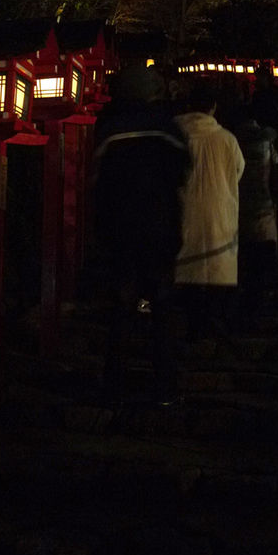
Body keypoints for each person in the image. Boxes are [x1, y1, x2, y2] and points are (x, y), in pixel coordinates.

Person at [92, 64, 191, 406]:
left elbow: (98, 180)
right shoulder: (167, 129)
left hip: (120, 229)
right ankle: (165, 386)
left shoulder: (109, 130)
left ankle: (113, 385)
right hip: (160, 227)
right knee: (163, 307)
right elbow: (182, 174)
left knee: (121, 305)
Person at [174, 82, 246, 338]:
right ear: (214, 108)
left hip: (184, 212)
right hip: (219, 214)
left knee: (186, 271)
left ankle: (191, 326)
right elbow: (238, 170)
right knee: (215, 271)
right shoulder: (227, 139)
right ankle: (213, 326)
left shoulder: (176, 136)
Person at [234, 110, 278, 332]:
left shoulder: (233, 142)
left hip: (239, 208)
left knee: (246, 261)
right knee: (263, 260)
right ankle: (261, 302)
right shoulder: (266, 143)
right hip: (264, 206)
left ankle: (245, 306)